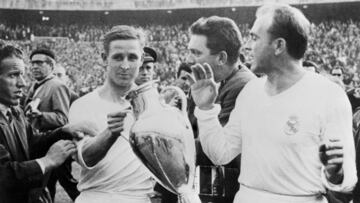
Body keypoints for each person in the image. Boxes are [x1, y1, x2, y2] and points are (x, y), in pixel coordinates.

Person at [187, 4, 357, 203]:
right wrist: (206, 109)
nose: (248, 46)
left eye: (255, 38)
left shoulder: (329, 95)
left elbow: (348, 179)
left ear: (278, 45)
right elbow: (221, 154)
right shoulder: (250, 92)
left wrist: (334, 175)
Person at [0, 43, 96, 203]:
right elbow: (4, 174)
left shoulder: (14, 111)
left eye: (22, 74)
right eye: (13, 75)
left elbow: (31, 142)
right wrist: (47, 161)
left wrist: (63, 131)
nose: (22, 83)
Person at [69, 25, 154, 203]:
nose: (125, 65)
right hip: (97, 198)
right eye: (117, 57)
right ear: (103, 58)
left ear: (141, 60)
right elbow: (83, 158)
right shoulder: (83, 105)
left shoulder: (154, 104)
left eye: (132, 57)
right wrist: (110, 134)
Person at [187, 16, 256, 203]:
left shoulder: (243, 87)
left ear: (221, 57)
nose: (188, 59)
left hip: (227, 189)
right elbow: (190, 126)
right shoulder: (208, 81)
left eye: (196, 53)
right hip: (210, 183)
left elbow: (213, 149)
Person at [23, 48, 78, 201]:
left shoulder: (57, 86)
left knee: (62, 183)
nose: (34, 66)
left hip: (54, 145)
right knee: (47, 187)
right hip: (40, 145)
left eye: (39, 63)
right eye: (33, 63)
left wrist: (41, 115)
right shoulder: (36, 85)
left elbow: (62, 119)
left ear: (51, 66)